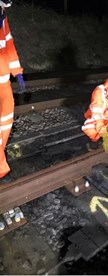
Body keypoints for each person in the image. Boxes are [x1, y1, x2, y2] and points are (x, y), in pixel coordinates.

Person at [0, 0, 25, 182]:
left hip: (3, 82)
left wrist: (17, 72)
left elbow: (8, 44)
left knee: (5, 125)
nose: (3, 10)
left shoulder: (2, 18)